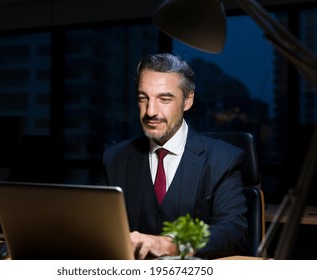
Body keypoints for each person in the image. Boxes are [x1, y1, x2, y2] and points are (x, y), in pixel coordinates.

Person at [100, 53, 248, 259]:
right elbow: (100, 230)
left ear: (187, 101)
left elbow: (233, 232)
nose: (150, 111)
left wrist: (173, 244)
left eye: (164, 99)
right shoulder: (114, 158)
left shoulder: (224, 159)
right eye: (143, 98)